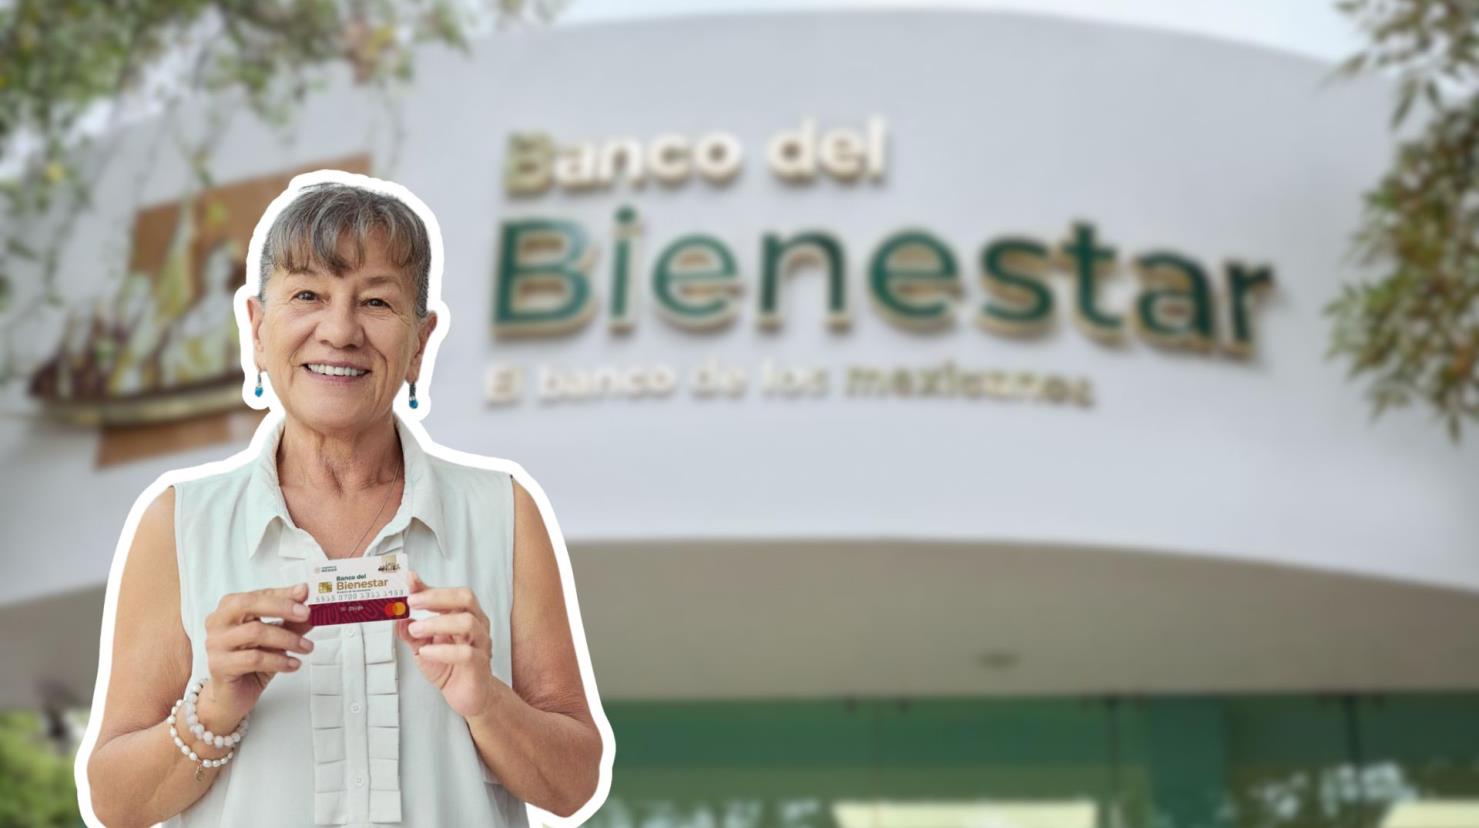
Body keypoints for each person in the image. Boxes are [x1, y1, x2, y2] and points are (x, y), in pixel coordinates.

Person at [80, 176, 608, 827]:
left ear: (419, 342)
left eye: (377, 303)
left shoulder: (502, 510)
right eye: (307, 295)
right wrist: (213, 706)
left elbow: (573, 785)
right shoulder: (179, 522)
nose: (339, 330)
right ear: (256, 326)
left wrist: (485, 702)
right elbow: (115, 803)